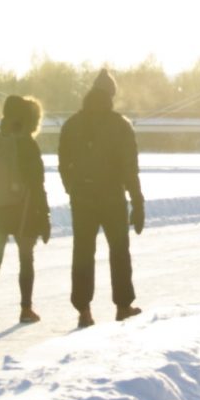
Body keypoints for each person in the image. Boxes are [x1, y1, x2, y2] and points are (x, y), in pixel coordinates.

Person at [58, 68, 145, 328]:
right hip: (112, 198)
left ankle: (84, 310)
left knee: (83, 252)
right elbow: (130, 168)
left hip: (82, 198)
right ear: (111, 94)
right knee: (119, 251)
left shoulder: (72, 124)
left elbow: (63, 162)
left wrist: (72, 188)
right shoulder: (120, 125)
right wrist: (137, 201)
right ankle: (122, 305)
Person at [0, 94, 51, 329]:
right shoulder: (26, 144)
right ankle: (26, 309)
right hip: (22, 210)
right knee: (26, 259)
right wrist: (44, 215)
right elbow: (37, 183)